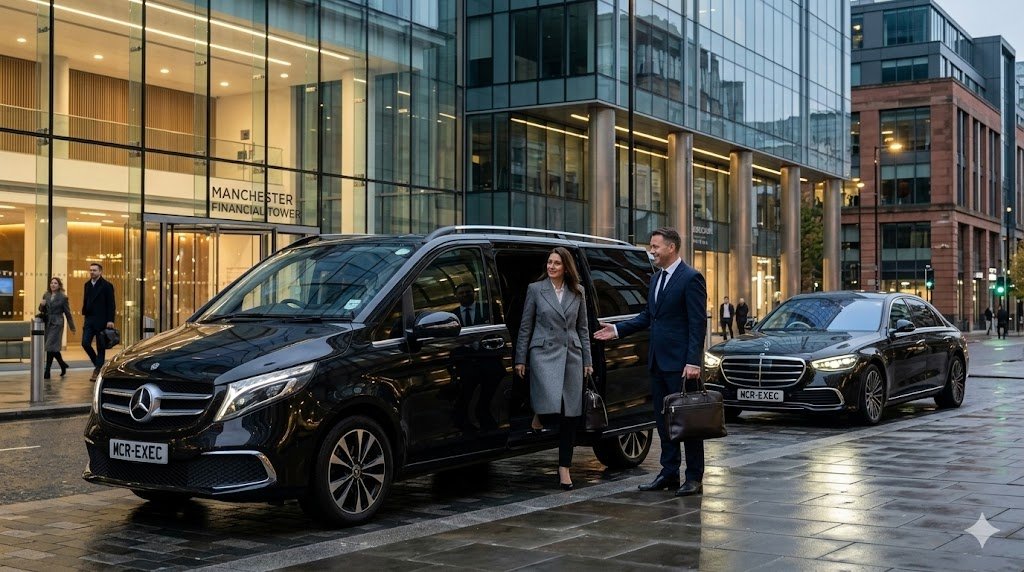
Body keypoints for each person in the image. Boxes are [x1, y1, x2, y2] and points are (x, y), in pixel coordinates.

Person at [594, 227, 708, 497]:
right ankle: (669, 473)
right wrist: (617, 329)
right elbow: (648, 317)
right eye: (651, 246)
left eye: (655, 246)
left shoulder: (691, 278)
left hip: (681, 366)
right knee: (663, 421)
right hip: (657, 362)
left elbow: (697, 323)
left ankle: (694, 477)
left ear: (671, 247)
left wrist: (693, 361)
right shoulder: (656, 279)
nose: (651, 251)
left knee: (687, 422)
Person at [514, 247, 593, 490]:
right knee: (551, 400)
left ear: (566, 267)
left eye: (556, 263)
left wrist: (587, 361)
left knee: (570, 414)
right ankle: (540, 413)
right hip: (543, 353)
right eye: (549, 262)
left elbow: (583, 329)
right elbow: (525, 325)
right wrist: (520, 358)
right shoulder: (535, 290)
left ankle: (564, 469)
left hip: (571, 354)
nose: (551, 267)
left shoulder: (577, 292)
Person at [82, 262, 116, 381]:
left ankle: (97, 370)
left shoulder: (107, 285)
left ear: (100, 272)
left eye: (94, 270)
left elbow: (111, 304)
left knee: (100, 347)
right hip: (89, 320)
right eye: (90, 270)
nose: (92, 272)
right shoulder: (87, 285)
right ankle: (99, 365)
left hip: (102, 320)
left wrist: (110, 320)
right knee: (85, 343)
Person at [39, 277, 76, 379]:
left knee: (49, 346)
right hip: (48, 323)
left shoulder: (63, 297)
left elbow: (68, 313)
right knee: (52, 348)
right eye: (52, 283)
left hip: (57, 323)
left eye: (55, 283)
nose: (53, 285)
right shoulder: (46, 295)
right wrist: (41, 305)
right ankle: (62, 364)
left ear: (59, 285)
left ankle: (47, 371)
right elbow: (41, 309)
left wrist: (72, 327)